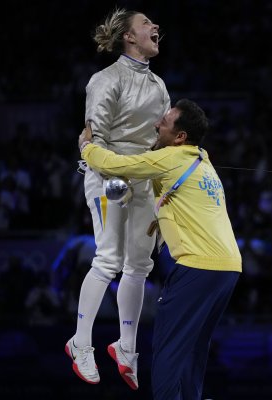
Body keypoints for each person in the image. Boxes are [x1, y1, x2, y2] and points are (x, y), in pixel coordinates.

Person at [78, 99, 242, 400]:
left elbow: (116, 165)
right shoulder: (201, 158)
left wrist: (87, 148)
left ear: (180, 137)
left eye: (164, 123)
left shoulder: (171, 157)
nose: (157, 124)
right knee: (194, 345)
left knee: (168, 346)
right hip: (228, 268)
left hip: (198, 268)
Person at [65, 7, 170, 390]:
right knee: (108, 258)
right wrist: (112, 178)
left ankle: (126, 346)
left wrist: (160, 186)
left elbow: (162, 141)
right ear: (129, 36)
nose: (155, 26)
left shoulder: (158, 84)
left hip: (144, 180)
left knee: (139, 265)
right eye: (146, 24)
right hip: (107, 177)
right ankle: (80, 343)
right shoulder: (105, 79)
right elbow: (95, 137)